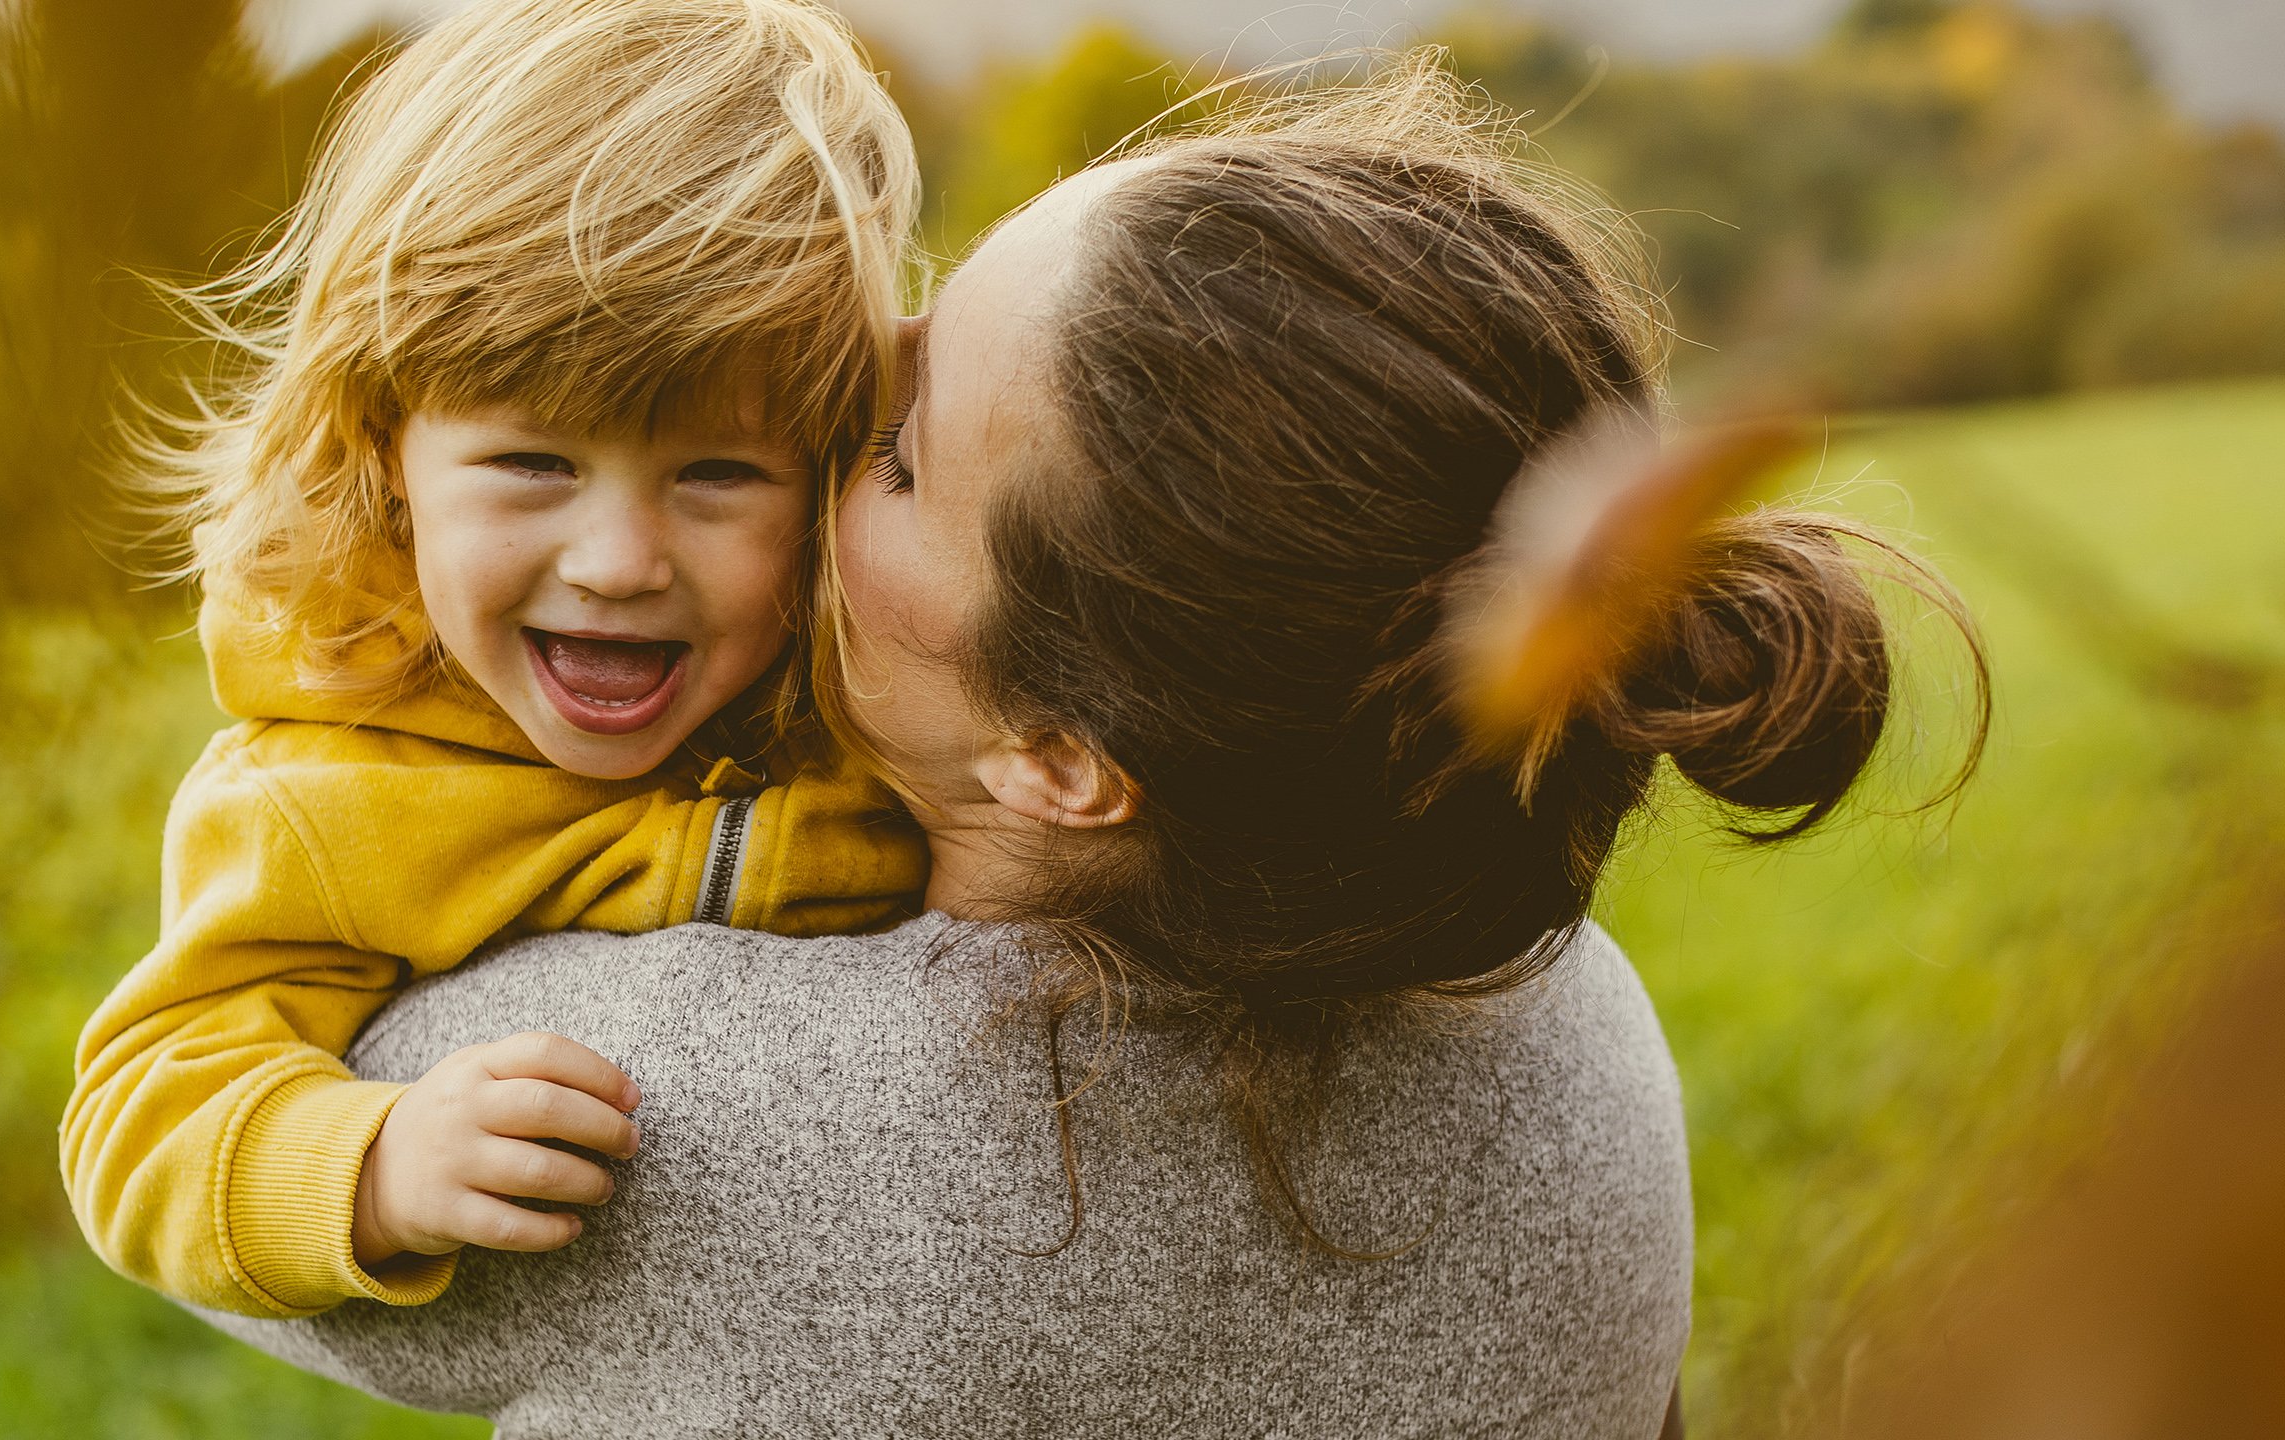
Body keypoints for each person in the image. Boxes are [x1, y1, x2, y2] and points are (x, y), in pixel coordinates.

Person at [208, 56, 1977, 1435]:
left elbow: (213, 1171)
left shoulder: (656, 1107)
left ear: (1061, 754)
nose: (833, 404)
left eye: (891, 453)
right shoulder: (1574, 1018)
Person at [60, 0, 933, 1321]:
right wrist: (372, 1166)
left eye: (716, 474)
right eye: (535, 464)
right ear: (384, 455)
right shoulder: (330, 796)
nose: (620, 560)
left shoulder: (874, 676)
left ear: (824, 477)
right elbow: (141, 1107)